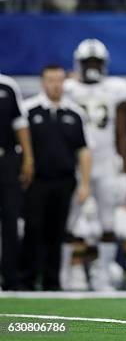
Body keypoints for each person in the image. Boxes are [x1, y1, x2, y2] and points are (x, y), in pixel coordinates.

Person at [63, 38, 126, 291]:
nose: (92, 67)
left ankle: (102, 274)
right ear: (78, 64)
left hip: (104, 163)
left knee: (108, 222)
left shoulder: (116, 88)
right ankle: (68, 273)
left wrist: (125, 169)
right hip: (77, 164)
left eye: (96, 62)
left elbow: (122, 133)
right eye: (88, 63)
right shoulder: (68, 88)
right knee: (70, 221)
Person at [21, 64, 92, 291]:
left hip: (64, 180)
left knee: (57, 230)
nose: (55, 85)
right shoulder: (28, 110)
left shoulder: (75, 113)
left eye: (59, 80)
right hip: (35, 181)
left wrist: (85, 184)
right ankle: (27, 279)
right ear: (43, 82)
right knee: (33, 228)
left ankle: (53, 281)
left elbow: (83, 150)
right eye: (51, 80)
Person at [0, 72, 34, 290]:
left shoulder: (8, 85)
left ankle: (11, 277)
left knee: (11, 218)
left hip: (7, 160)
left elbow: (20, 123)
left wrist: (28, 158)